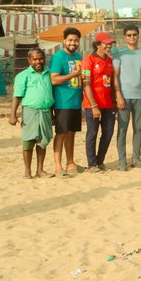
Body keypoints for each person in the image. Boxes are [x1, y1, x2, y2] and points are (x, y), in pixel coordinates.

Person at [9, 48, 55, 179]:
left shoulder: (49, 74)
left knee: (43, 141)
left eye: (40, 58)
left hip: (46, 112)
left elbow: (50, 95)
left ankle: (40, 170)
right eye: (34, 59)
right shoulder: (22, 76)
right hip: (30, 112)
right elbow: (17, 97)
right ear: (29, 60)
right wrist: (12, 115)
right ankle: (27, 172)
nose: (38, 61)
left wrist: (52, 115)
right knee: (28, 141)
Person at [113, 24, 141, 170]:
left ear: (138, 35)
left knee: (139, 128)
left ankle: (136, 158)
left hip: (140, 96)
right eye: (129, 35)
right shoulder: (119, 54)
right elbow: (115, 76)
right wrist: (118, 95)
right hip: (124, 96)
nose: (132, 37)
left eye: (134, 34)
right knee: (122, 129)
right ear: (125, 37)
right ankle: (121, 161)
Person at [49, 27, 85, 176]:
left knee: (71, 133)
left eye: (76, 40)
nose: (73, 43)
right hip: (62, 102)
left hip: (76, 102)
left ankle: (70, 162)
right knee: (61, 133)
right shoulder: (58, 57)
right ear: (64, 40)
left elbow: (82, 76)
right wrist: (73, 74)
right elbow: (54, 79)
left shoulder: (78, 56)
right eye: (70, 40)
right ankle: (58, 166)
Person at [82, 32, 117, 172]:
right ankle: (91, 164)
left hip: (108, 104)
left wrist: (114, 101)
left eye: (110, 43)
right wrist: (94, 106)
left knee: (108, 133)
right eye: (106, 43)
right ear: (98, 45)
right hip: (92, 104)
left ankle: (100, 161)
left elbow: (112, 83)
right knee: (92, 133)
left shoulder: (109, 61)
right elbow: (86, 84)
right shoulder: (88, 60)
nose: (109, 46)